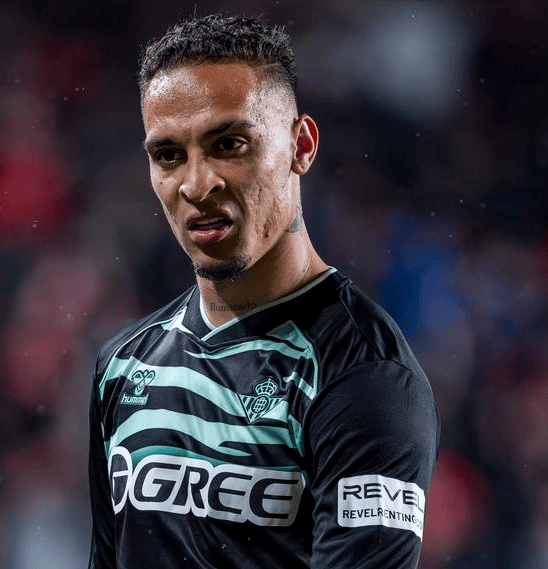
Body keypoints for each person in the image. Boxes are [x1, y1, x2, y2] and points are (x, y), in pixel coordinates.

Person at [88, 14, 440, 569]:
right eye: (168, 155)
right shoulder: (123, 366)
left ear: (302, 146)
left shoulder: (365, 376)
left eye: (228, 144)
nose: (197, 184)